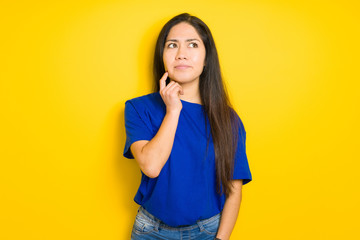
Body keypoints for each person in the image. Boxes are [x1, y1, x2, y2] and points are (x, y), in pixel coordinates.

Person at [123, 12, 252, 240]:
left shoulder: (228, 119)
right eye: (172, 45)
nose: (181, 54)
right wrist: (173, 110)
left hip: (207, 231)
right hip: (149, 231)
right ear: (162, 55)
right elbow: (151, 166)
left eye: (193, 45)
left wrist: (221, 239)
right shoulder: (138, 108)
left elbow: (234, 190)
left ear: (206, 57)